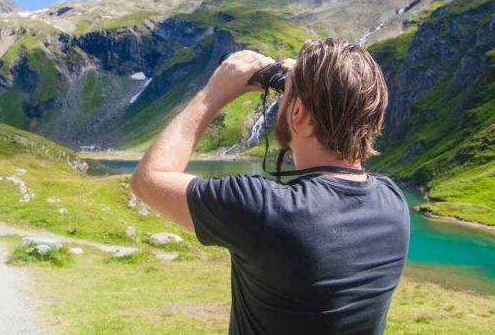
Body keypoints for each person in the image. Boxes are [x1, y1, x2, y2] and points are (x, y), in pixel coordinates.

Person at [130, 38, 410, 335]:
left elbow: (148, 179)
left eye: (286, 97)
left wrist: (214, 93)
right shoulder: (393, 204)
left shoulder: (265, 209)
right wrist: (302, 85)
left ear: (298, 113)